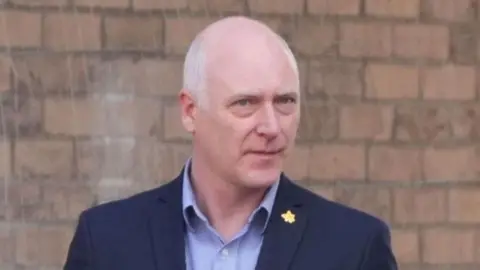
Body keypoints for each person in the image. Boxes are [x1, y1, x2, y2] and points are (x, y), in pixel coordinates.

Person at [64, 16, 398, 270]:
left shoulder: (355, 246)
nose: (270, 127)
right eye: (245, 103)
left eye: (285, 101)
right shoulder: (106, 241)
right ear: (190, 111)